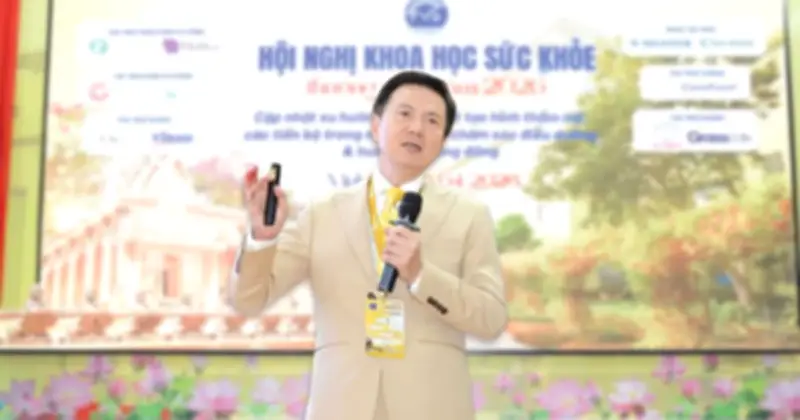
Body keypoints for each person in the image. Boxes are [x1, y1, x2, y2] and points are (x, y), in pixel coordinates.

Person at [230, 70, 507, 420]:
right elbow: (248, 299)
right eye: (404, 114)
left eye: (432, 120)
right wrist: (262, 238)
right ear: (376, 126)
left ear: (443, 139)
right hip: (341, 406)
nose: (417, 128)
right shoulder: (322, 214)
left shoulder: (469, 215)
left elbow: (491, 319)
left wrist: (421, 276)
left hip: (432, 407)